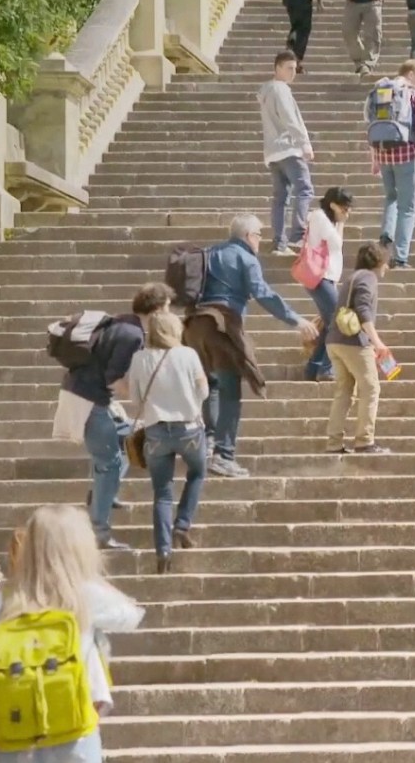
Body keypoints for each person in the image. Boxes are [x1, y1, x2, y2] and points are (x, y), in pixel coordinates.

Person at [0, 506, 144, 763]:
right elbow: (131, 615)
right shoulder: (85, 597)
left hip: (14, 736)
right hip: (74, 735)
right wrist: (90, 576)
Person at [183, 215, 320, 479]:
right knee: (230, 390)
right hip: (222, 327)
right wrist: (296, 320)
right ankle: (223, 455)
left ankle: (210, 440)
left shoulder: (209, 253)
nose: (260, 240)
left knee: (211, 385)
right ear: (248, 236)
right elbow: (263, 293)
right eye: (259, 234)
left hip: (194, 326)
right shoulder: (246, 258)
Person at [50, 284, 174, 549]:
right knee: (109, 464)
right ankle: (99, 532)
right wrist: (143, 400)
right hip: (89, 400)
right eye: (167, 308)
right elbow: (114, 378)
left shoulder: (122, 323)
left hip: (87, 395)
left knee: (129, 437)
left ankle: (102, 493)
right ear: (157, 310)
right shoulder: (132, 334)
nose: (168, 314)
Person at [124, 310, 209, 575]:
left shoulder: (139, 358)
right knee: (197, 473)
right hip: (189, 429)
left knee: (162, 492)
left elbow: (135, 400)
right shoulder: (188, 355)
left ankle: (163, 551)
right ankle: (182, 524)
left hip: (156, 432)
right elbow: (204, 391)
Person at [326, 243, 394, 455]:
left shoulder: (353, 277)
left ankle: (334, 443)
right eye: (386, 262)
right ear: (378, 262)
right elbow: (363, 309)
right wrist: (377, 342)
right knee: (371, 388)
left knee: (344, 391)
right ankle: (364, 441)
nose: (387, 267)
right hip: (353, 342)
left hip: (334, 341)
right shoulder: (368, 278)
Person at [370, 60, 415, 267]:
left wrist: (374, 157)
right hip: (406, 154)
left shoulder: (383, 91)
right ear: (410, 74)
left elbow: (374, 123)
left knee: (391, 197)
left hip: (384, 153)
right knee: (407, 206)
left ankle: (386, 234)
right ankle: (400, 256)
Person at [259, 51, 315, 258]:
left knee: (281, 197)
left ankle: (279, 243)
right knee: (304, 189)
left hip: (272, 151)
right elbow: (290, 118)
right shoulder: (280, 89)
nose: (293, 73)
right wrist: (304, 143)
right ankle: (297, 235)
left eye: (295, 69)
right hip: (288, 148)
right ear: (277, 68)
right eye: (289, 68)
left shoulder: (266, 91)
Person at [301, 188, 353, 381]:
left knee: (328, 325)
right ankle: (326, 368)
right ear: (333, 205)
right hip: (320, 278)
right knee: (338, 322)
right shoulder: (319, 217)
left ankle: (313, 368)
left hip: (326, 279)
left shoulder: (326, 220)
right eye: (344, 208)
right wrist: (341, 222)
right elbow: (337, 243)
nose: (347, 212)